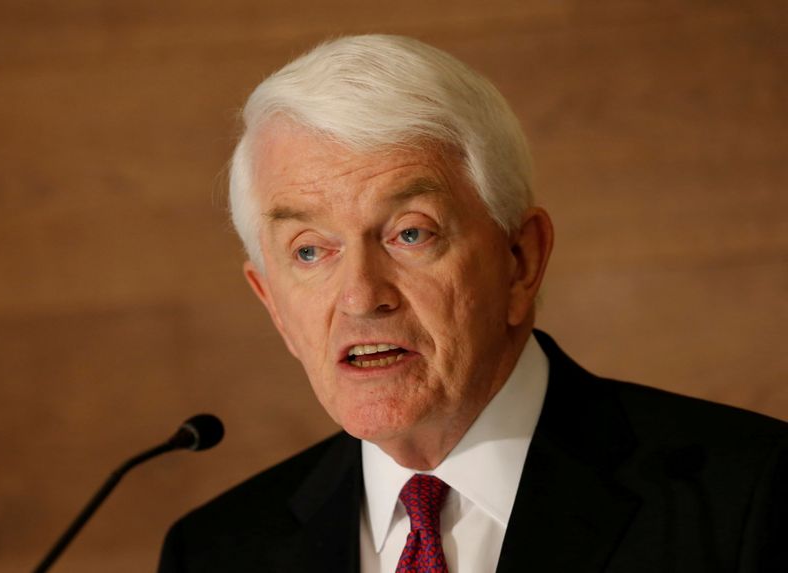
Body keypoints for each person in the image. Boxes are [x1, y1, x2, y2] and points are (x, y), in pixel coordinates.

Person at [158, 35, 787, 572]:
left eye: (410, 233)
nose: (360, 296)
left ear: (521, 260)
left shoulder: (748, 499)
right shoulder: (213, 553)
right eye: (308, 251)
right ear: (271, 304)